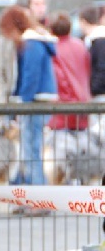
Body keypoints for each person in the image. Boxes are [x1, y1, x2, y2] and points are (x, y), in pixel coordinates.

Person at [0, 5, 57, 195]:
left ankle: (38, 196)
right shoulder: (38, 40)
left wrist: (21, 102)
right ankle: (33, 194)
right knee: (31, 149)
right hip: (39, 101)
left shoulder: (31, 43)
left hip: (33, 102)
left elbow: (30, 77)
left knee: (31, 151)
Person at [46, 12, 94, 184]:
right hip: (83, 108)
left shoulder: (53, 49)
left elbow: (58, 78)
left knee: (63, 160)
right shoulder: (80, 46)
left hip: (62, 112)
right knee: (82, 157)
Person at [78, 6, 105, 99]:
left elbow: (101, 68)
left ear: (83, 21)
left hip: (99, 94)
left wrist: (92, 89)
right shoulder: (92, 40)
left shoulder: (99, 41)